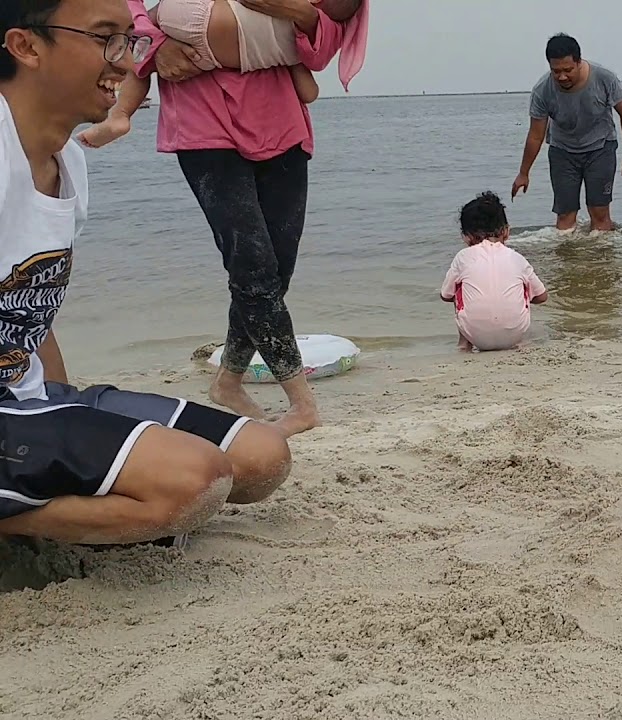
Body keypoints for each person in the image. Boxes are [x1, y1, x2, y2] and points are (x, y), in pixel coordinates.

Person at [0, 0, 294, 546]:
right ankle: (19, 525)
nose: (126, 62)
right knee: (192, 482)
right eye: (103, 38)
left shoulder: (67, 160)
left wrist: (58, 404)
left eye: (129, 40)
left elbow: (31, 312)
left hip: (26, 401)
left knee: (261, 458)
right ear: (26, 46)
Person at [114, 0, 358, 437]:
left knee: (276, 270)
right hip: (201, 119)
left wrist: (296, 12)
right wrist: (153, 47)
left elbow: (321, 50)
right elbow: (128, 14)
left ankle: (228, 381)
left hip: (279, 121)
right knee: (252, 266)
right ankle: (302, 405)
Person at [76, 0, 369, 149]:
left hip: (277, 121)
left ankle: (120, 114)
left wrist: (150, 40)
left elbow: (327, 42)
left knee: (273, 263)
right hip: (205, 113)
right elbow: (320, 62)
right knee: (255, 262)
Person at [512, 33, 622, 234]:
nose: (562, 77)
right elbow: (535, 135)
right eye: (556, 71)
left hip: (600, 148)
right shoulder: (542, 91)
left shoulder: (604, 78)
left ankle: (602, 262)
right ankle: (566, 261)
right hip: (563, 151)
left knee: (600, 213)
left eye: (568, 70)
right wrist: (523, 173)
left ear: (579, 62)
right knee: (564, 215)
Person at [440, 192, 549, 352]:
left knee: (460, 289)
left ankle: (464, 344)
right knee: (523, 286)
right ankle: (519, 339)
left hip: (475, 336)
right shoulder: (517, 257)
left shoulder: (462, 257)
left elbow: (446, 295)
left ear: (466, 237)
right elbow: (542, 297)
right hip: (513, 336)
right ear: (506, 231)